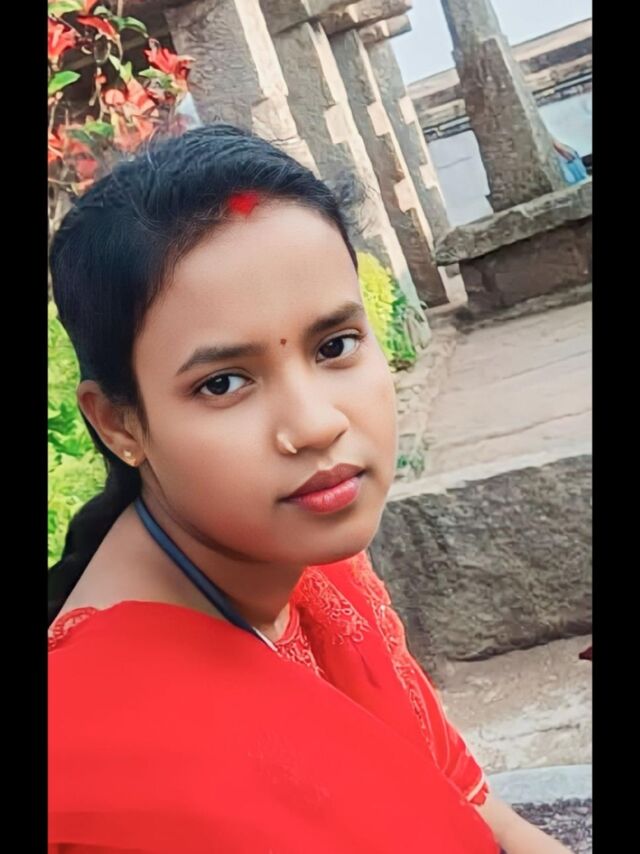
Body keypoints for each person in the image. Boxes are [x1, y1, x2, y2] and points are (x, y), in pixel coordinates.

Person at [48, 124, 573, 853]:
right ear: (118, 422)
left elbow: (478, 811)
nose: (317, 424)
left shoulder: (310, 562)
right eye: (223, 383)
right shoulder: (93, 764)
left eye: (335, 346)